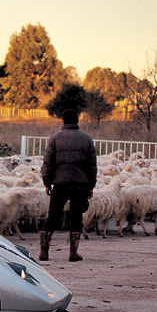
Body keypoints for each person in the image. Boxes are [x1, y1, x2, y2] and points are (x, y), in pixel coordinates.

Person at [40, 109, 97, 262]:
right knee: (77, 217)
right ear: (77, 121)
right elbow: (92, 166)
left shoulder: (55, 139)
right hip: (80, 184)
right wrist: (91, 186)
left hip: (60, 183)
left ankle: (44, 252)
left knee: (53, 216)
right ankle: (73, 253)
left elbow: (47, 164)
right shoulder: (87, 139)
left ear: (63, 121)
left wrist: (47, 183)